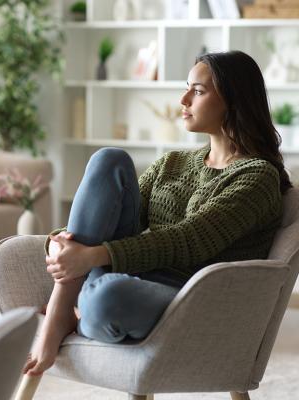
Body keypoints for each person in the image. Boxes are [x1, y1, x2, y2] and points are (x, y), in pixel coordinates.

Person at [23, 50, 292, 376]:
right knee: (110, 159)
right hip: (133, 273)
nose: (183, 99)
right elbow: (109, 218)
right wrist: (59, 240)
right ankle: (63, 306)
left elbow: (190, 240)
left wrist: (92, 257)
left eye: (198, 91)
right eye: (187, 87)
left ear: (234, 101)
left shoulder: (257, 176)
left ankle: (79, 305)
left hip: (191, 295)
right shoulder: (173, 163)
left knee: (107, 297)